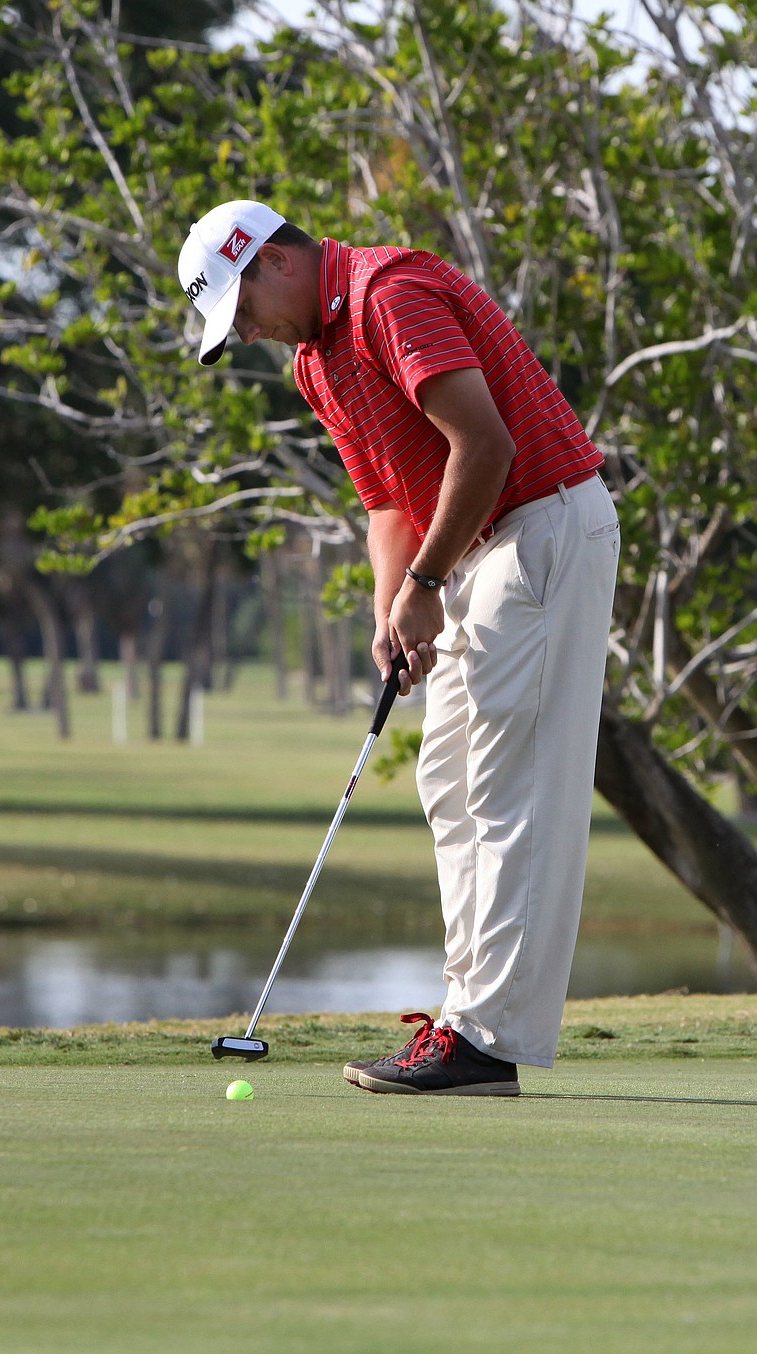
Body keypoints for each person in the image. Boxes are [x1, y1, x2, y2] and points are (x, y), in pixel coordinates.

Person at [178, 200, 620, 1096]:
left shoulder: (389, 292)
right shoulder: (316, 361)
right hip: (473, 550)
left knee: (507, 790)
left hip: (538, 526)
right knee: (447, 784)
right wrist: (393, 605)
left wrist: (425, 585)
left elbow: (485, 446)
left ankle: (490, 1040)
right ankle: (465, 1022)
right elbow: (386, 499)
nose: (250, 335)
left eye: (244, 310)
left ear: (275, 262)